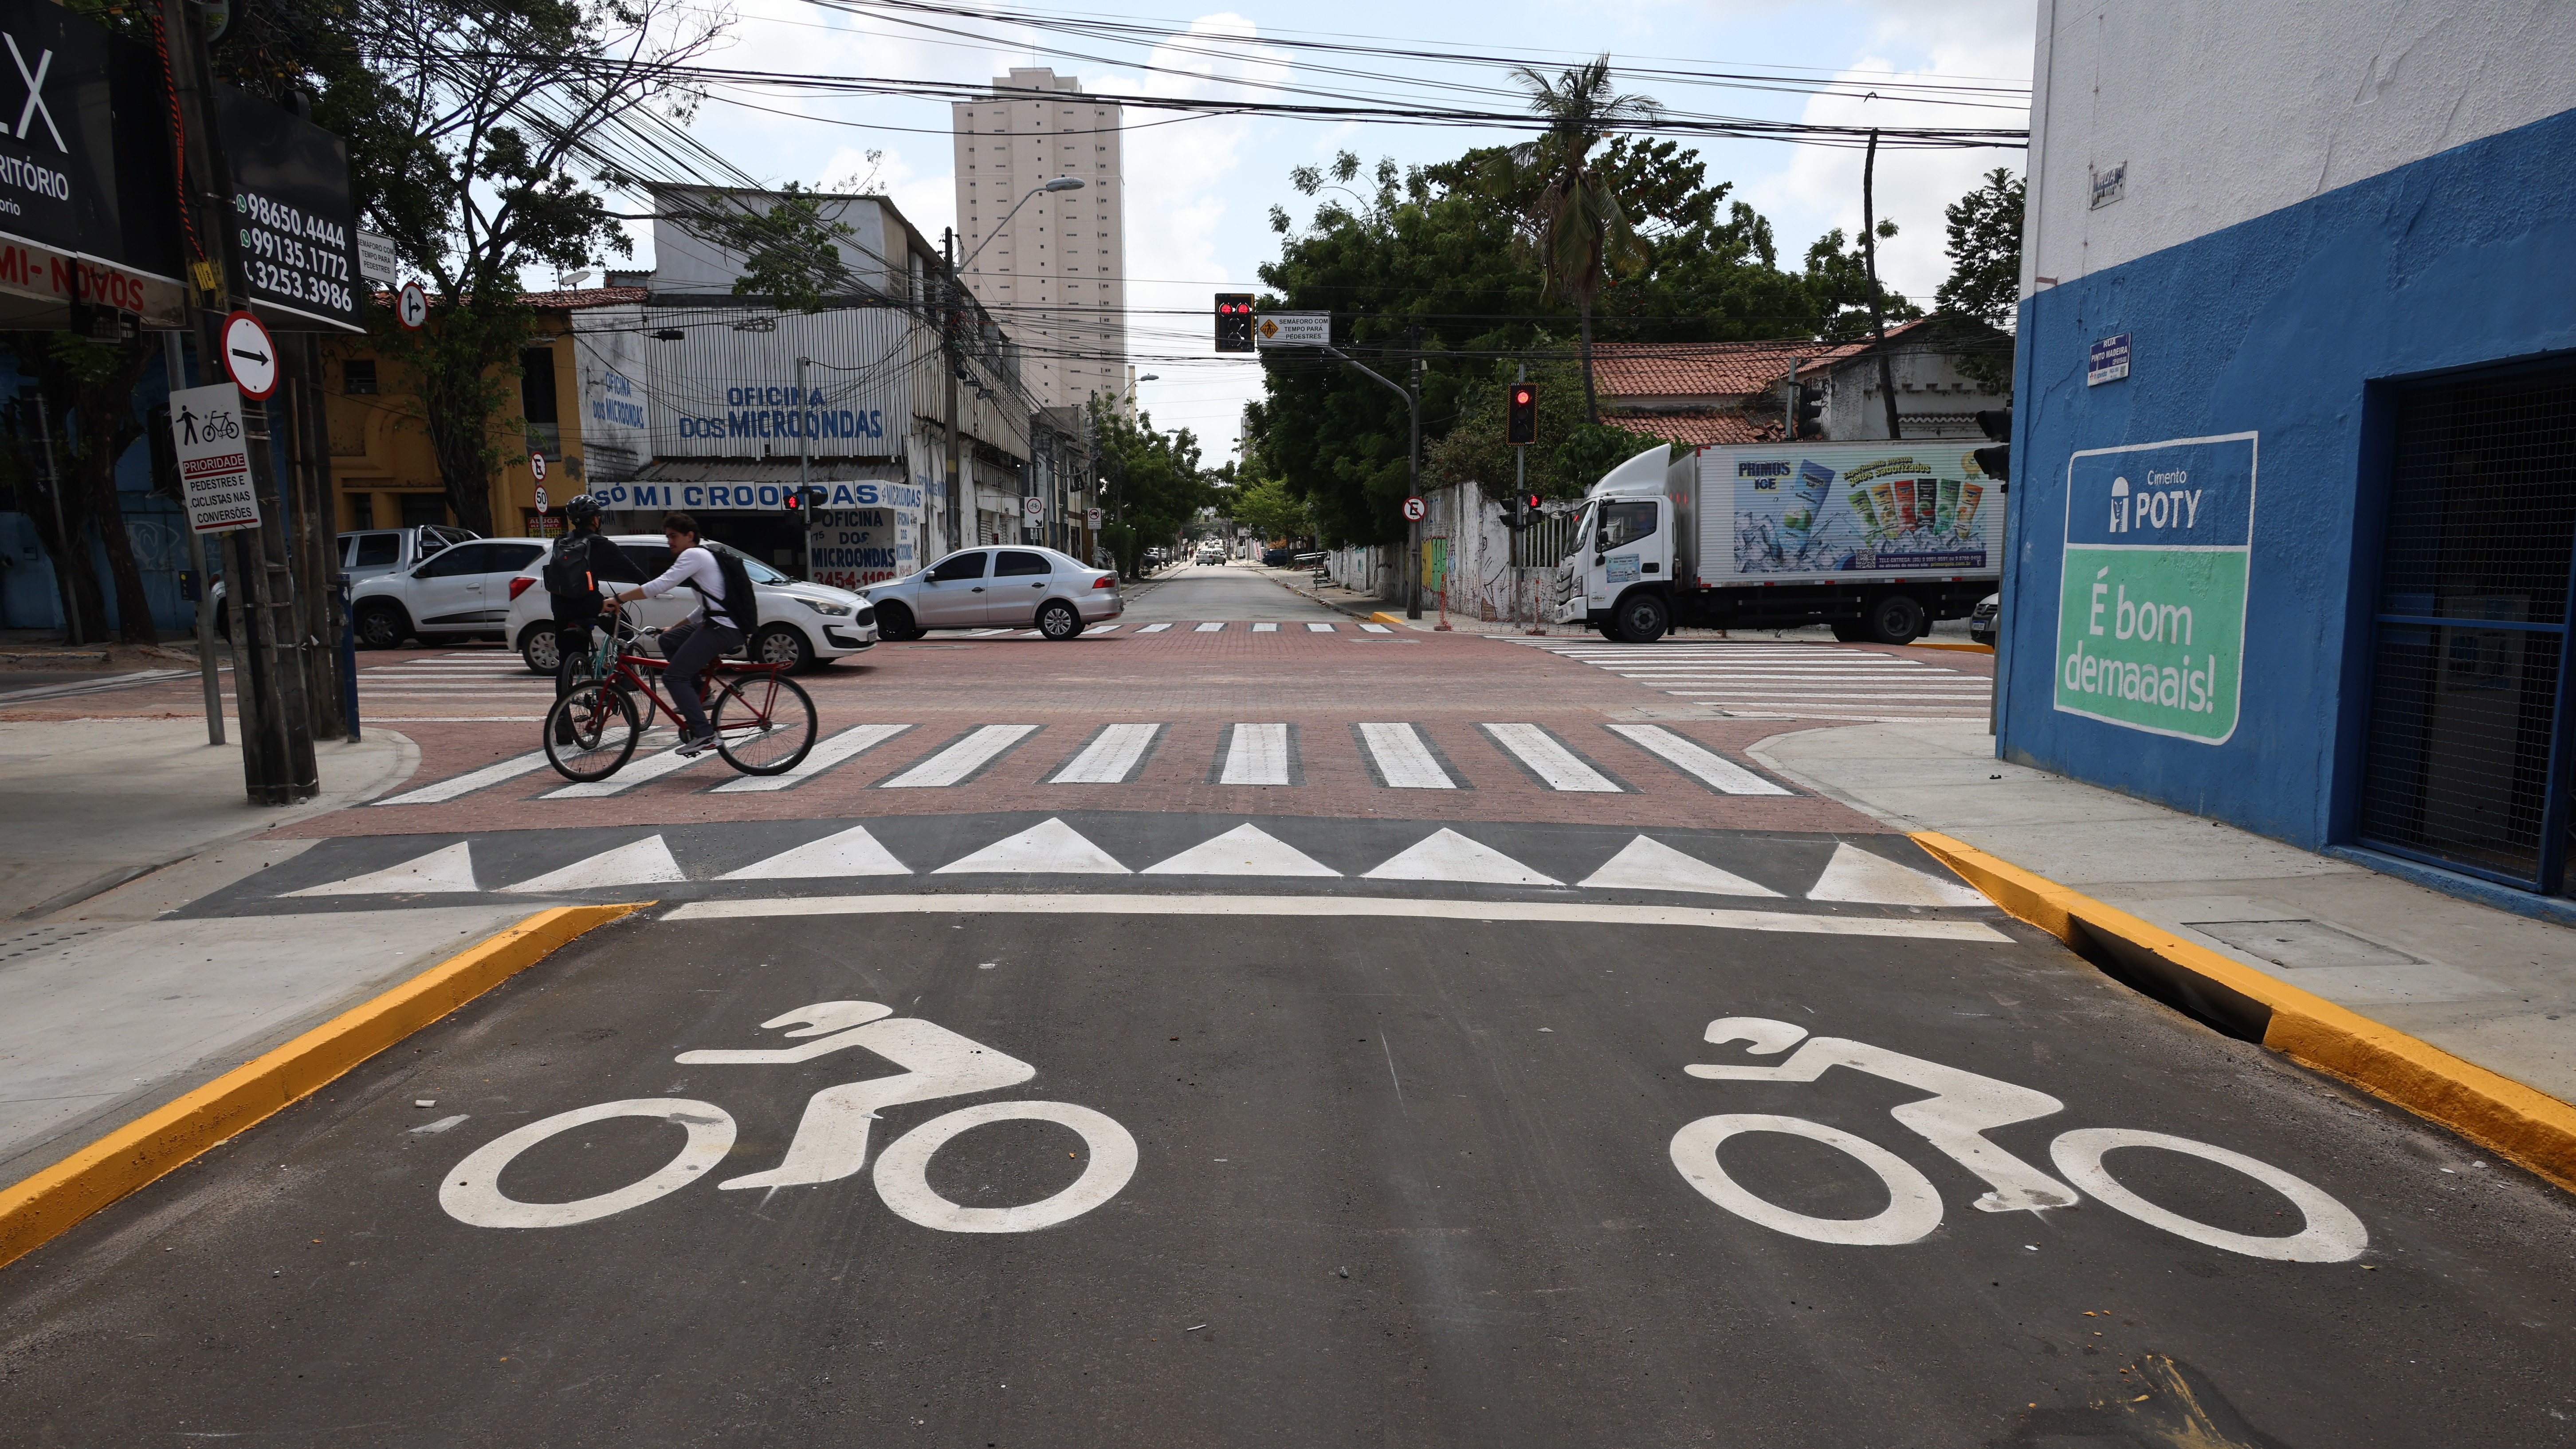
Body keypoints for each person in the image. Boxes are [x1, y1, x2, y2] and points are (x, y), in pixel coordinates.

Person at [609, 512, 756, 756]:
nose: (670, 542)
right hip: (722, 622)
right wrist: (676, 627)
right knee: (668, 640)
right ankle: (701, 693)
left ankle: (705, 734)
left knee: (674, 677)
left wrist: (617, 599)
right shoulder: (704, 557)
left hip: (723, 628)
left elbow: (660, 586)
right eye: (668, 537)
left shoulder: (693, 555)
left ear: (690, 536)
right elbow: (706, 607)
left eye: (674, 536)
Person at [542, 495, 645, 740]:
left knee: (567, 663)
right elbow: (632, 571)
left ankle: (564, 724)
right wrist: (650, 585)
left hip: (560, 609)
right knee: (626, 630)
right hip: (591, 606)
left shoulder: (561, 541)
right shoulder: (601, 544)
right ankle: (625, 678)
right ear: (596, 520)